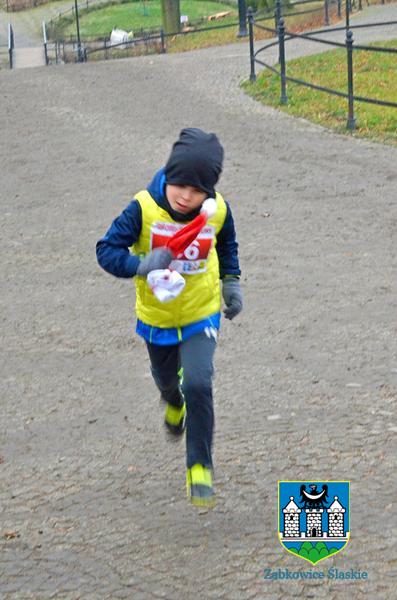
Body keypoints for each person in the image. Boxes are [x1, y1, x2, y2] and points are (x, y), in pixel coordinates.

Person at [96, 128, 242, 507]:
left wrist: (232, 282)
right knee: (168, 380)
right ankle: (170, 401)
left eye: (196, 191)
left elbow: (227, 244)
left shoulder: (218, 209)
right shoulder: (143, 208)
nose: (186, 197)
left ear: (209, 191)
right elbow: (106, 249)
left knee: (197, 381)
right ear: (168, 174)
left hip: (200, 313)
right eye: (179, 185)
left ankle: (199, 466)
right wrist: (140, 264)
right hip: (157, 318)